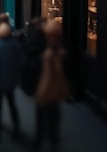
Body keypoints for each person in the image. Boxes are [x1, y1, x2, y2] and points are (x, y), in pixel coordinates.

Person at [33, 20, 70, 151]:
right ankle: (51, 139)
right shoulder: (60, 48)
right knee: (53, 115)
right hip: (54, 88)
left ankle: (42, 140)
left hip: (46, 88)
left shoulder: (49, 48)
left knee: (44, 114)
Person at [0, 23, 25, 141]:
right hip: (11, 81)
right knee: (12, 105)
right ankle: (16, 129)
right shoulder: (15, 45)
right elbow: (20, 62)